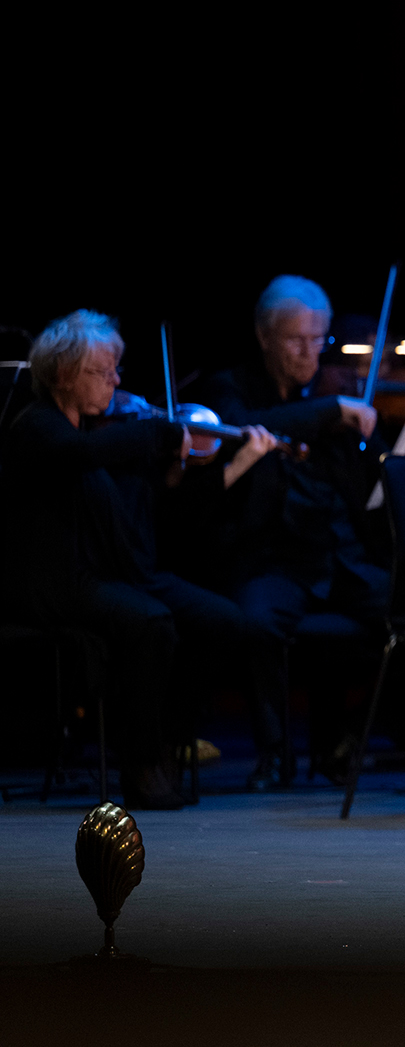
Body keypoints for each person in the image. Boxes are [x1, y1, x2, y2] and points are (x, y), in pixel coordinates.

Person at [0, 311, 260, 809]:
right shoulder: (36, 427)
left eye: (117, 369)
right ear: (63, 374)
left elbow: (138, 511)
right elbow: (81, 455)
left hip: (114, 572)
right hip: (55, 582)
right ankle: (138, 762)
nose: (117, 381)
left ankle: (168, 739)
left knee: (222, 621)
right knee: (150, 623)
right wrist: (159, 434)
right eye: (104, 371)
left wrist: (172, 470)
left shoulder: (103, 430)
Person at [194, 276, 392, 788]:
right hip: (272, 560)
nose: (310, 353)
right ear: (264, 337)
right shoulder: (230, 388)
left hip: (336, 556)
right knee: (257, 623)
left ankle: (346, 738)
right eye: (295, 340)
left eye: (317, 340)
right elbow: (244, 423)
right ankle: (274, 754)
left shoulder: (334, 394)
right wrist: (327, 411)